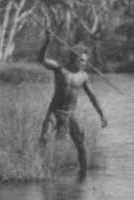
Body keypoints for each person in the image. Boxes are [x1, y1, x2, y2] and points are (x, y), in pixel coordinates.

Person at [38, 29, 108, 173]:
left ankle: (83, 174)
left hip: (70, 115)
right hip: (55, 112)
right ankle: (38, 168)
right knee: (44, 138)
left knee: (81, 145)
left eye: (85, 61)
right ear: (74, 58)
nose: (84, 63)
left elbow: (93, 97)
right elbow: (42, 60)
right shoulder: (60, 69)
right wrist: (47, 42)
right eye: (81, 60)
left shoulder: (83, 77)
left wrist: (102, 114)